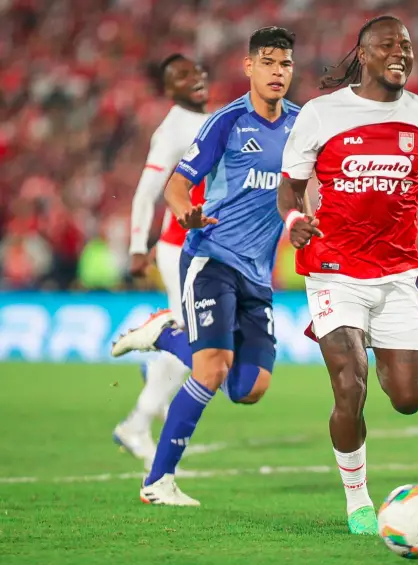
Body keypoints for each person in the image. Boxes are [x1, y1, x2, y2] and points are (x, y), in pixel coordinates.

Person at [111, 26, 303, 506]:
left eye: (285, 64)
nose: (277, 72)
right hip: (212, 258)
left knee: (250, 388)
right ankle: (158, 481)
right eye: (268, 62)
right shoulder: (226, 122)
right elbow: (178, 184)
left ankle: (166, 333)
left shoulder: (303, 125)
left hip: (259, 274)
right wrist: (184, 214)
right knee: (210, 371)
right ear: (249, 67)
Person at [277, 15, 418, 535]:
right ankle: (358, 500)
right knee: (348, 386)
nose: (400, 53)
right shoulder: (322, 114)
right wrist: (294, 220)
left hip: (397, 273)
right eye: (388, 46)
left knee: (408, 399)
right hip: (333, 269)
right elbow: (291, 185)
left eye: (407, 46)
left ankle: (375, 352)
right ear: (363, 54)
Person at [114, 54, 210, 464]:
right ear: (168, 89)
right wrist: (138, 248)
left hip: (207, 246)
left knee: (199, 341)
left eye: (197, 71)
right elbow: (145, 192)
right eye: (182, 76)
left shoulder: (215, 117)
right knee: (196, 340)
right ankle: (136, 424)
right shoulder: (172, 130)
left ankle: (157, 374)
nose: (196, 78)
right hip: (180, 248)